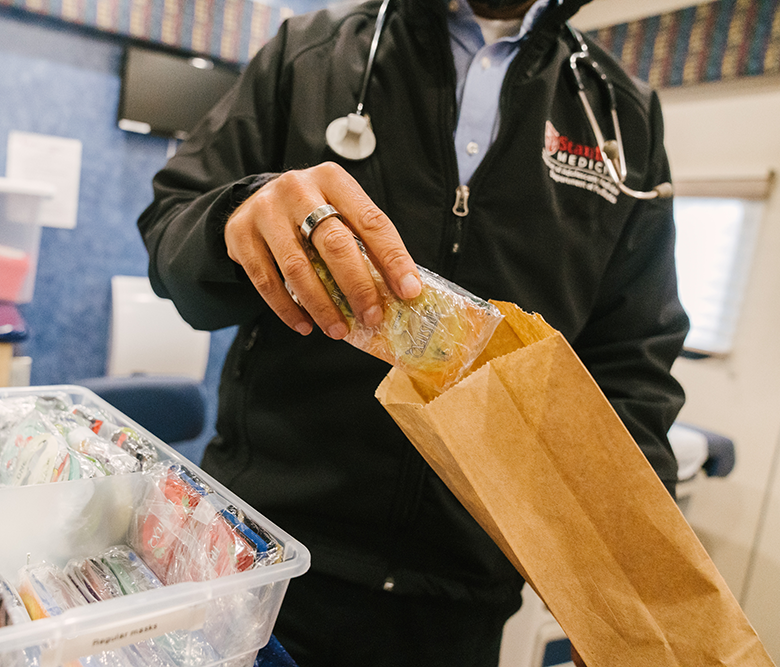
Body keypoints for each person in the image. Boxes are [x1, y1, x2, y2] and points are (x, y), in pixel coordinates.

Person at [137, 0, 689, 664]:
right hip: (263, 566)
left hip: (457, 606)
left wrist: (622, 597)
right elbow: (171, 240)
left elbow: (631, 367)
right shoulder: (309, 55)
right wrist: (235, 218)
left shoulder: (621, 117)